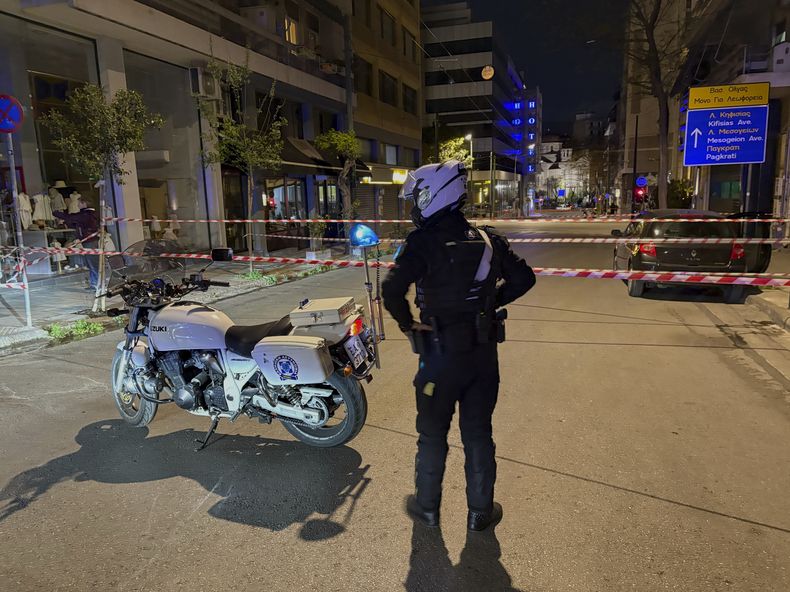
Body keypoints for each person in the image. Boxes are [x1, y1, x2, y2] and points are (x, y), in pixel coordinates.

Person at [382, 160, 536, 532]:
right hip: (483, 355)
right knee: (478, 432)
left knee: (432, 434)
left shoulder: (422, 243)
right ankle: (480, 513)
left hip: (439, 356)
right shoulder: (488, 240)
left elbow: (391, 290)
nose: (415, 204)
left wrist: (408, 324)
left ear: (436, 194)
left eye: (418, 196)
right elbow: (524, 279)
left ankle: (427, 508)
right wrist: (489, 302)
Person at [54, 196, 100, 290]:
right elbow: (75, 221)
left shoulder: (87, 214)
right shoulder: (87, 214)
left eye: (79, 203)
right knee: (91, 262)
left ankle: (97, 284)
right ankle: (94, 283)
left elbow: (72, 217)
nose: (78, 205)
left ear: (84, 203)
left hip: (90, 241)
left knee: (92, 262)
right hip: (88, 240)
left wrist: (56, 213)